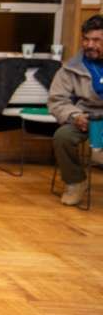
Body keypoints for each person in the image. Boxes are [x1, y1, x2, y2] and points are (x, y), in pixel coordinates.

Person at [47, 15, 103, 207]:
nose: (90, 45)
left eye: (96, 40)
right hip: (85, 117)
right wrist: (75, 116)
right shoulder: (70, 68)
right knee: (62, 137)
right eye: (86, 39)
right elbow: (57, 100)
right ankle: (75, 182)